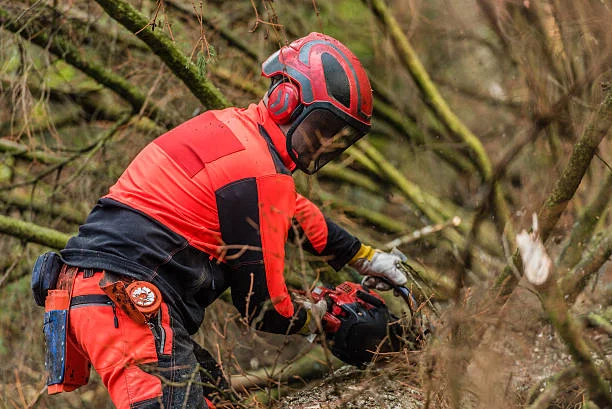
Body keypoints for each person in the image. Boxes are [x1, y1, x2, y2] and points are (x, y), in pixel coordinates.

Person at [53, 32, 408, 409]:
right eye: (319, 128)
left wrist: (365, 257)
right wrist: (321, 319)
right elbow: (264, 305)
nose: (320, 144)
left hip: (108, 292)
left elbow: (292, 210)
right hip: (125, 299)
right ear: (286, 100)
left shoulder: (233, 131)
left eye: (334, 136)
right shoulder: (258, 170)